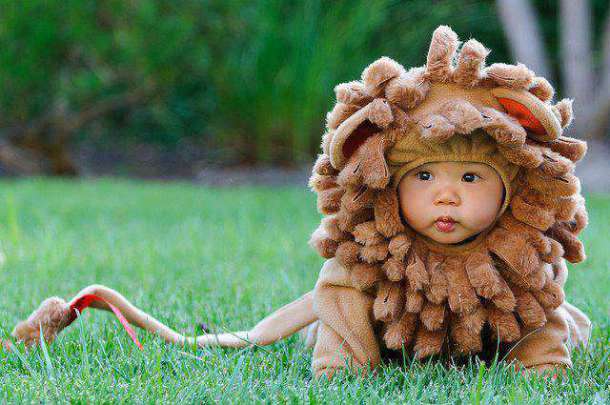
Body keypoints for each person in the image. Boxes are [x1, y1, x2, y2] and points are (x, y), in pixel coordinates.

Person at [5, 26, 591, 380]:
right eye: (423, 177)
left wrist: (541, 363)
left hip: (503, 310)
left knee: (548, 317)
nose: (445, 193)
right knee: (333, 305)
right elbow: (342, 295)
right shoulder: (371, 262)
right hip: (378, 322)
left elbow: (541, 314)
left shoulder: (520, 259)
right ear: (383, 183)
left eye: (470, 177)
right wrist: (341, 365)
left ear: (514, 188)